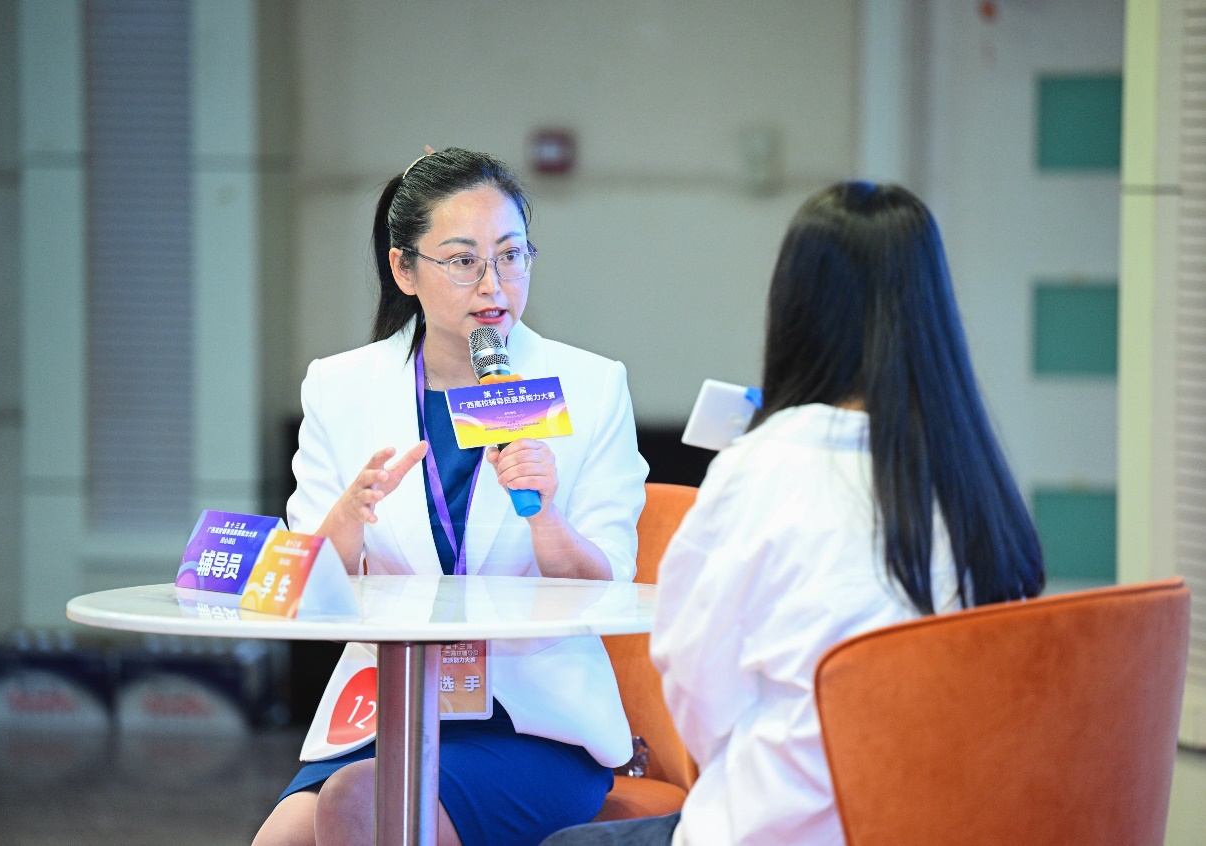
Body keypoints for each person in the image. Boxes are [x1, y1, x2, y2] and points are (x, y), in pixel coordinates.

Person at [541, 181, 1044, 846]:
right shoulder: (973, 477)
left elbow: (696, 689)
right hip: (938, 820)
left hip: (780, 826)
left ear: (799, 309)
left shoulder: (762, 465)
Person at [253, 147, 648, 846]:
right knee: (283, 838)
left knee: (359, 805)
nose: (493, 284)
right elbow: (309, 591)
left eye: (511, 256)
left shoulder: (590, 386)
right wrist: (347, 518)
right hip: (389, 704)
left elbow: (607, 587)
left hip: (534, 716)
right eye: (463, 261)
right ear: (404, 269)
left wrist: (545, 517)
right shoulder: (340, 388)